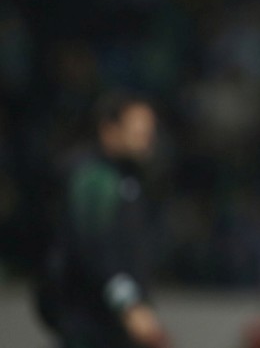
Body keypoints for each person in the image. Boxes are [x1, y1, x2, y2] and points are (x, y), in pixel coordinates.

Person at [36, 90, 168, 348]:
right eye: (138, 129)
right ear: (110, 130)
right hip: (89, 321)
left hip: (111, 324)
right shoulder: (93, 178)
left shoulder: (130, 176)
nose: (147, 137)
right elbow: (94, 248)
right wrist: (128, 303)